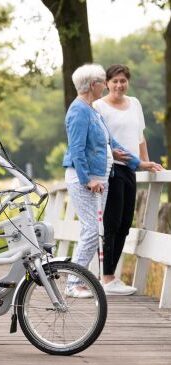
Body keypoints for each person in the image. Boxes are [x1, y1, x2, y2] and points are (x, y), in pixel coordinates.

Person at [62, 63, 161, 298]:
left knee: (93, 229)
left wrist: (138, 163)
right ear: (94, 85)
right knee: (91, 229)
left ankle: (78, 280)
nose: (105, 86)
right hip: (85, 179)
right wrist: (87, 180)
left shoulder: (92, 111)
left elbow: (111, 144)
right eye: (101, 82)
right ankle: (72, 283)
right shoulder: (79, 110)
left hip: (100, 177)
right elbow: (76, 150)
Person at [93, 64, 163, 295]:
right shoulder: (98, 106)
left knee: (125, 224)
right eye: (115, 81)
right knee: (112, 224)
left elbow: (140, 137)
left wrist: (147, 162)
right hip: (111, 170)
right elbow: (97, 140)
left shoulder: (134, 103)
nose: (119, 85)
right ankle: (107, 277)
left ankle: (111, 276)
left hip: (131, 170)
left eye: (123, 81)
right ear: (107, 83)